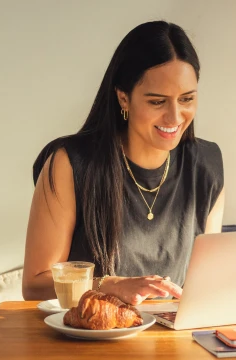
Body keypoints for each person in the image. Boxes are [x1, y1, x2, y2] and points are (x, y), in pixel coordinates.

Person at [22, 21, 225, 305]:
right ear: (123, 99)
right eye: (157, 102)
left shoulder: (208, 164)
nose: (175, 117)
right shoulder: (69, 163)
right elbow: (35, 284)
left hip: (173, 343)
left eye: (187, 99)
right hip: (90, 343)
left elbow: (207, 282)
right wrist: (110, 285)